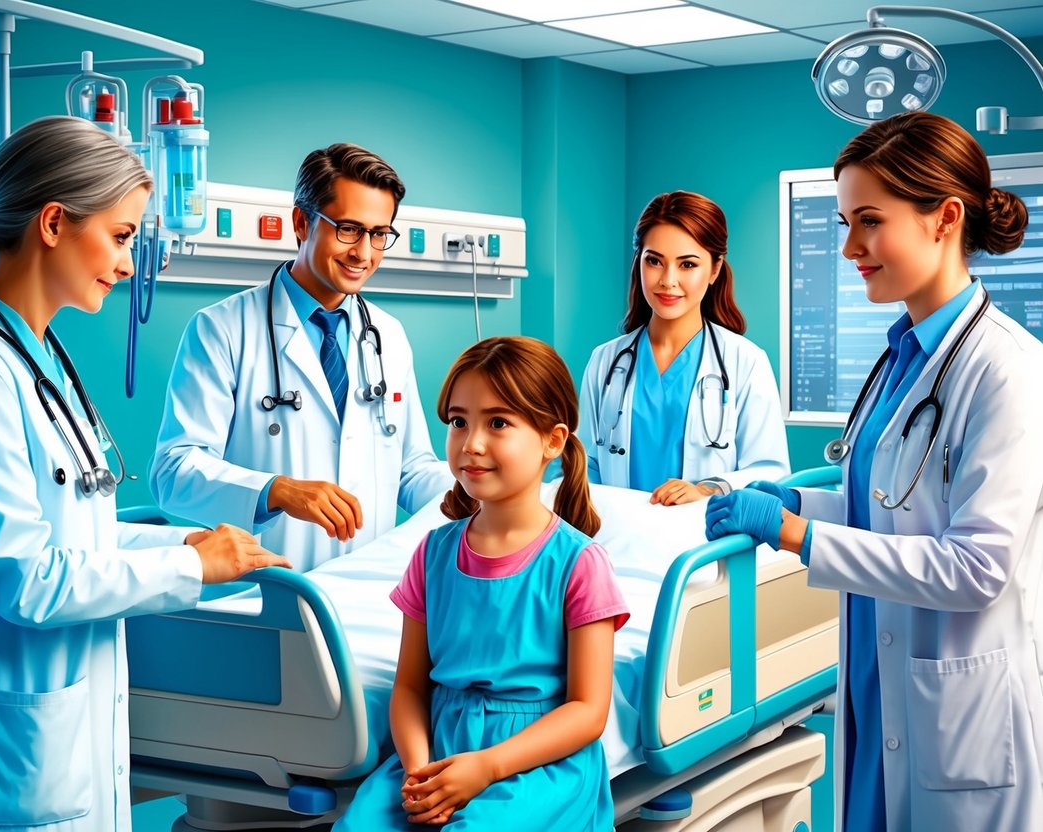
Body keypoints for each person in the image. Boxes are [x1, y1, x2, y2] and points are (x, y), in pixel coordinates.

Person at [0, 116, 291, 832]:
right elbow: (26, 579)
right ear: (52, 223)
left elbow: (83, 539)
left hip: (62, 757)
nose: (130, 264)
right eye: (122, 235)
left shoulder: (38, 365)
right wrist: (188, 570)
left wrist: (190, 549)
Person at [704, 111, 1043, 830]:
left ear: (944, 218)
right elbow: (889, 508)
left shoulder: (1004, 371)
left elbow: (976, 567)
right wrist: (793, 502)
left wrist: (797, 535)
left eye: (868, 220)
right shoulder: (900, 356)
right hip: (876, 685)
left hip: (957, 712)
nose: (850, 246)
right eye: (842, 221)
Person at [335, 336, 628, 830]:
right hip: (437, 754)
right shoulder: (433, 554)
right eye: (458, 421)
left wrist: (487, 766)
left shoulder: (578, 564)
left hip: (536, 763)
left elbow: (587, 711)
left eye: (497, 423)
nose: (471, 443)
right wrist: (418, 773)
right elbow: (409, 688)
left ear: (552, 441)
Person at [151, 143, 450, 571]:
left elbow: (410, 469)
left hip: (366, 594)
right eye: (348, 229)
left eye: (379, 234)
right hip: (266, 592)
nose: (363, 253)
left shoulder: (388, 336)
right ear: (301, 222)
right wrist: (277, 490)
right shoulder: (222, 329)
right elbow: (173, 473)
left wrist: (478, 495)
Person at [578, 191, 788, 505]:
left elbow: (771, 472)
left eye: (687, 264)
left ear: (715, 269)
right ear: (639, 263)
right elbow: (585, 465)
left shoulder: (746, 362)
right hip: (616, 536)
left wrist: (709, 488)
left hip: (700, 542)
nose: (668, 280)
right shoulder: (605, 361)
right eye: (654, 261)